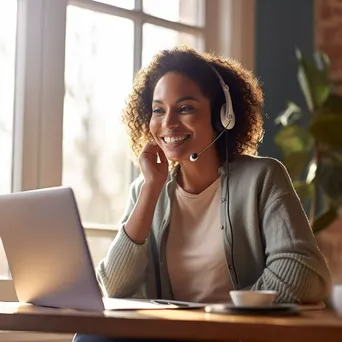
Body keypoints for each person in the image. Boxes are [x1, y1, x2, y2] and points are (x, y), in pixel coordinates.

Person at [73, 47, 331, 342]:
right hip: (172, 336)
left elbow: (301, 267)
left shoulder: (263, 178)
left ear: (222, 115)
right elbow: (114, 287)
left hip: (239, 337)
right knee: (92, 335)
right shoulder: (144, 189)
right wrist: (151, 189)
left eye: (185, 108)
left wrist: (222, 320)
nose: (168, 122)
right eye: (158, 110)